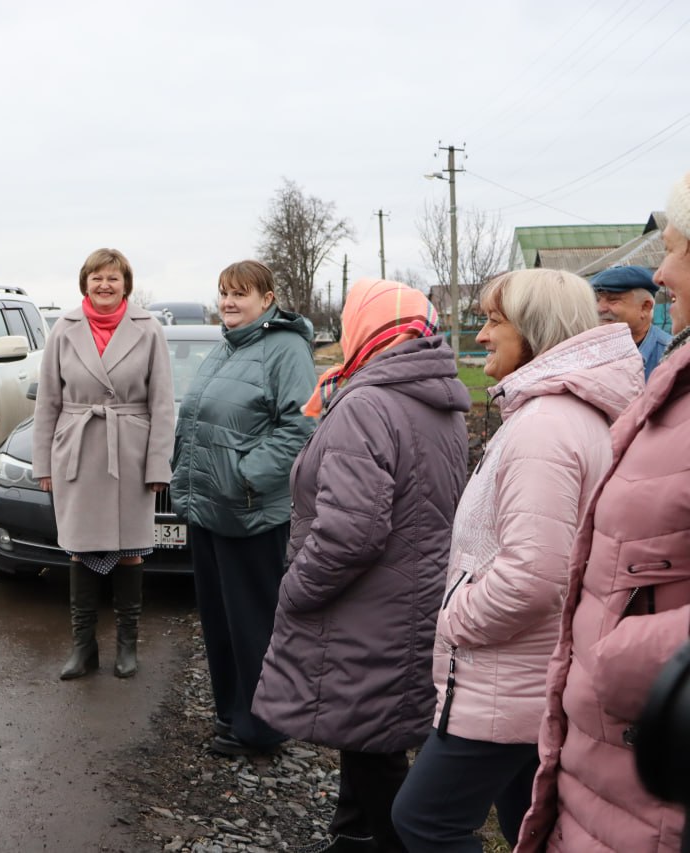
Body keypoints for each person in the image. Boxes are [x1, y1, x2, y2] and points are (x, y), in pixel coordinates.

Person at [391, 270, 643, 852]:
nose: (480, 336)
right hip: (533, 679)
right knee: (527, 827)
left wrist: (455, 618)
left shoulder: (545, 428)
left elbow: (535, 575)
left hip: (506, 682)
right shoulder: (557, 415)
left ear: (534, 330)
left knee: (425, 820)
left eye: (493, 321)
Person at [253, 279, 469, 853]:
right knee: (373, 731)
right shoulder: (435, 398)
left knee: (375, 749)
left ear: (366, 328)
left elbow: (351, 532)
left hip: (367, 606)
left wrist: (296, 589)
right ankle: (353, 837)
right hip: (411, 599)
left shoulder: (368, 403)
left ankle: (388, 842)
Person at [514, 172, 690, 853]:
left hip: (646, 771)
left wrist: (618, 659)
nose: (665, 270)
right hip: (614, 771)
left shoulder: (556, 421)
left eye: (677, 249)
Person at [168, 260, 315, 756]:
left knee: (253, 624)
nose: (229, 302)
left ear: (268, 298)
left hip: (250, 513)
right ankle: (232, 715)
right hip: (211, 507)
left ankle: (263, 728)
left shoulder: (286, 349)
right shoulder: (228, 347)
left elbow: (299, 425)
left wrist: (247, 476)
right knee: (220, 622)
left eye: (241, 293)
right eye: (224, 293)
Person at [32, 248, 175, 680]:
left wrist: (157, 467)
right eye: (96, 278)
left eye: (113, 278)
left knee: (131, 551)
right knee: (79, 549)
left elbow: (163, 405)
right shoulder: (64, 329)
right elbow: (47, 402)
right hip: (77, 449)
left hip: (129, 451)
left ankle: (127, 647)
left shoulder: (149, 330)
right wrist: (44, 465)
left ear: (126, 284)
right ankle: (83, 647)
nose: (104, 285)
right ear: (85, 283)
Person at [591, 264, 670, 380]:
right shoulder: (586, 350)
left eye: (613, 300)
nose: (600, 308)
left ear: (645, 307)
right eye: (597, 300)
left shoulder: (671, 355)